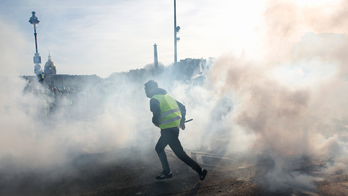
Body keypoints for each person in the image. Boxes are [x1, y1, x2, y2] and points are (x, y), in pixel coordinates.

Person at [144, 80, 208, 181]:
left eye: (146, 89)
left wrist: (154, 121)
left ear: (151, 89)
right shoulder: (168, 96)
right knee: (173, 152)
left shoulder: (154, 99)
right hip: (173, 129)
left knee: (168, 151)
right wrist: (182, 121)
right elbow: (182, 107)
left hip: (167, 131)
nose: (146, 92)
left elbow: (156, 115)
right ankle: (169, 172)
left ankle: (198, 170)